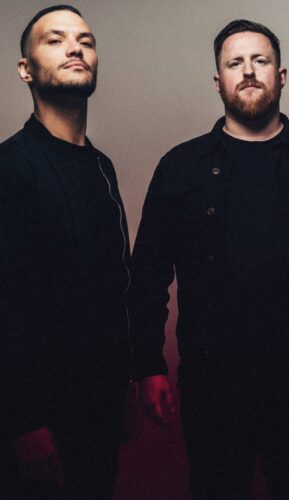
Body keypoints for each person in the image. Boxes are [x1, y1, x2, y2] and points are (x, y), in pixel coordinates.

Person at [130, 19, 289, 500]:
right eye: (235, 63)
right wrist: (149, 365)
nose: (249, 71)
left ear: (281, 75)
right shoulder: (180, 166)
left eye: (261, 60)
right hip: (212, 390)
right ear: (219, 81)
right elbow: (148, 273)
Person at [0, 5, 131, 499]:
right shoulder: (9, 167)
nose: (75, 47)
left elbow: (110, 285)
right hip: (36, 421)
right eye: (55, 40)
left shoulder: (101, 167)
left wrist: (124, 382)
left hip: (99, 410)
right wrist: (22, 422)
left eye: (85, 41)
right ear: (25, 69)